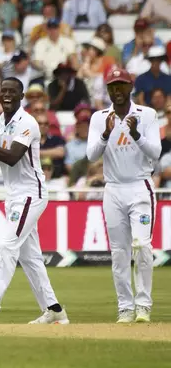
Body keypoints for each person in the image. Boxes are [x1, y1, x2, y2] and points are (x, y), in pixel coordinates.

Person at [0, 77, 69, 325]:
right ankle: (54, 309)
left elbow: (13, 157)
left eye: (12, 92)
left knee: (8, 245)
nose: (6, 96)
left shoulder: (28, 123)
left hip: (31, 193)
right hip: (14, 194)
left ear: (21, 96)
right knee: (30, 257)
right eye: (3, 91)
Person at [86, 68, 161, 323]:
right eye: (112, 86)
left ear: (131, 87)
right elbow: (91, 156)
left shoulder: (147, 114)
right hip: (113, 189)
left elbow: (156, 152)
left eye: (122, 86)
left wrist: (137, 134)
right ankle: (125, 307)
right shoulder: (99, 118)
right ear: (107, 90)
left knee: (141, 246)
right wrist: (106, 134)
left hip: (140, 186)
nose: (117, 91)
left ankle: (143, 306)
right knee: (118, 252)